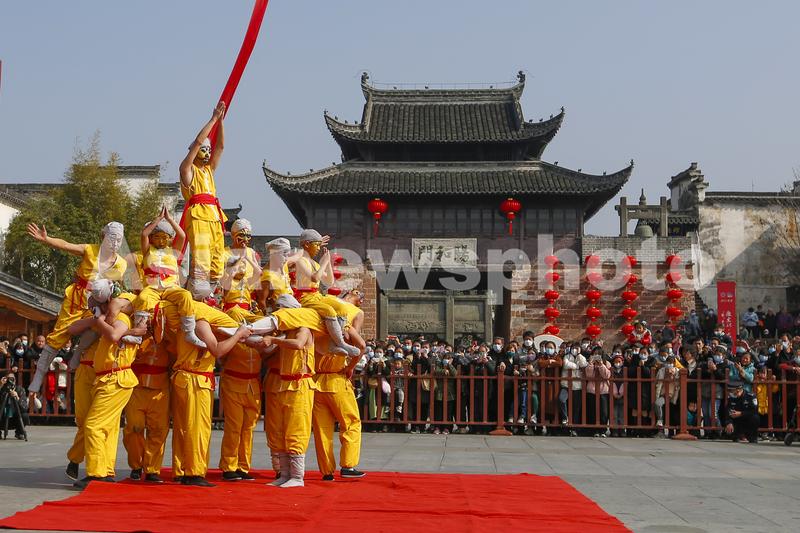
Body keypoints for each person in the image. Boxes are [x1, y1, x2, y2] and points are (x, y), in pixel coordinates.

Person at [25, 221, 128, 397]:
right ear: (103, 236)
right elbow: (66, 245)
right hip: (77, 297)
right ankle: (39, 375)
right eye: (112, 238)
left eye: (119, 239)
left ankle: (78, 352)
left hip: (99, 302)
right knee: (59, 334)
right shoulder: (90, 250)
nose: (115, 243)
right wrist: (47, 239)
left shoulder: (122, 264)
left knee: (99, 325)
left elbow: (119, 286)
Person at [73, 279, 140, 489]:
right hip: (108, 378)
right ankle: (106, 470)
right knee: (107, 428)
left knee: (92, 425)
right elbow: (72, 328)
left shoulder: (121, 318)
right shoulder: (109, 318)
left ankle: (97, 474)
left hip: (116, 378)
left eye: (97, 304)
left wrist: (97, 319)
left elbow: (113, 335)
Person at [132, 207, 206, 348]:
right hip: (152, 287)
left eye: (164, 238)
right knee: (142, 298)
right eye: (157, 237)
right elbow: (144, 234)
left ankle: (189, 332)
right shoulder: (147, 250)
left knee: (185, 295)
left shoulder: (173, 251)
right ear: (152, 238)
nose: (161, 241)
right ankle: (138, 332)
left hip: (171, 287)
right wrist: (158, 219)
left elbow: (182, 236)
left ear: (170, 239)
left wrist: (170, 219)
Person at [311, 290, 366, 480]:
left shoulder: (318, 314)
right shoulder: (351, 315)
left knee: (322, 428)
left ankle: (327, 471)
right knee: (351, 422)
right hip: (336, 378)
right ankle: (348, 466)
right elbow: (360, 346)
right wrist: (350, 367)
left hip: (316, 380)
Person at [179, 102, 228, 295]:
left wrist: (221, 122)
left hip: (215, 217)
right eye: (203, 149)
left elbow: (221, 147)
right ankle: (195, 292)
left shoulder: (209, 170)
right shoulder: (187, 170)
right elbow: (199, 142)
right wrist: (213, 119)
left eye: (208, 150)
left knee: (216, 264)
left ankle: (209, 296)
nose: (207, 152)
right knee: (202, 260)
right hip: (198, 217)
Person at [259, 326, 316, 488]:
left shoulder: (304, 329)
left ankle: (297, 476)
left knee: (296, 428)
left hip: (299, 384)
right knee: (279, 430)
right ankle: (284, 475)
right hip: (283, 384)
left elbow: (298, 344)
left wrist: (274, 340)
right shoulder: (284, 333)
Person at [291, 229, 359, 356]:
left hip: (317, 295)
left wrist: (327, 263)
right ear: (306, 244)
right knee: (329, 310)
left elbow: (329, 281)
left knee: (341, 307)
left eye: (319, 245)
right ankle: (340, 343)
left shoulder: (314, 263)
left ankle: (334, 343)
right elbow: (314, 278)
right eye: (317, 245)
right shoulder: (301, 261)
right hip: (305, 297)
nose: (319, 248)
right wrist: (323, 263)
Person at [123, 337, 171, 483]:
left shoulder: (169, 332)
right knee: (134, 427)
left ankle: (152, 469)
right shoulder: (136, 333)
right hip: (136, 387)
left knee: (159, 430)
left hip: (160, 389)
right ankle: (136, 466)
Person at [218, 341, 262, 481]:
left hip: (252, 387)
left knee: (248, 428)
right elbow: (220, 355)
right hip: (233, 384)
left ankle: (243, 467)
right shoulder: (230, 337)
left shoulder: (261, 338)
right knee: (234, 427)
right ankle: (229, 466)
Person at [221, 218, 263, 323]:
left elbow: (259, 273)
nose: (245, 239)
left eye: (248, 236)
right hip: (230, 306)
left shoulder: (251, 252)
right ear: (232, 235)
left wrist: (246, 257)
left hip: (247, 306)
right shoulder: (224, 254)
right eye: (241, 235)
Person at [560, 342, 588, 435]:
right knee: (562, 399)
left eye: (577, 348)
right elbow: (566, 364)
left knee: (576, 408)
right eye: (573, 348)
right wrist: (576, 366)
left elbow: (584, 364)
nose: (574, 350)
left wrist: (579, 355)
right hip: (566, 385)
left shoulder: (581, 357)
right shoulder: (566, 356)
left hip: (577, 386)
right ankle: (565, 418)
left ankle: (574, 428)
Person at [0, 372, 28, 440]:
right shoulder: (1, 389)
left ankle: (19, 432)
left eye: (12, 378)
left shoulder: (20, 389)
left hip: (15, 420)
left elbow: (24, 408)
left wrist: (17, 397)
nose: (10, 380)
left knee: (25, 415)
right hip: (2, 419)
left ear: (15, 380)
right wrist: (0, 386)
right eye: (7, 378)